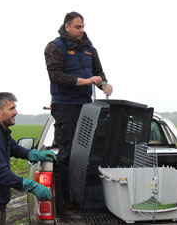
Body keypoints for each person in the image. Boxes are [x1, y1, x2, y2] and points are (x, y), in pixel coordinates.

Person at [44, 11, 113, 207]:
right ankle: (66, 199)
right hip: (66, 107)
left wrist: (104, 85)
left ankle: (89, 194)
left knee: (90, 152)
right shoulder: (55, 47)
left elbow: (99, 73)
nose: (82, 30)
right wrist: (86, 81)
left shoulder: (90, 49)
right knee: (68, 152)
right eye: (77, 27)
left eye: (83, 26)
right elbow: (56, 76)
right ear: (67, 27)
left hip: (87, 107)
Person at [0, 92, 57, 225]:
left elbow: (15, 149)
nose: (16, 112)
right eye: (11, 108)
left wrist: (34, 155)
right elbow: (1, 173)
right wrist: (31, 185)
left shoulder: (1, 133)